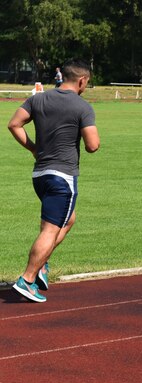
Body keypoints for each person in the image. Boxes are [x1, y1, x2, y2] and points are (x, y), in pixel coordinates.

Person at [7, 58, 100, 303]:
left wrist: (34, 148)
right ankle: (27, 279)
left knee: (68, 219)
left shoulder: (37, 99)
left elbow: (14, 124)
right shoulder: (82, 106)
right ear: (81, 80)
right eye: (86, 83)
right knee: (51, 229)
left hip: (40, 175)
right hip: (63, 177)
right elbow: (93, 145)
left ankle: (42, 264)